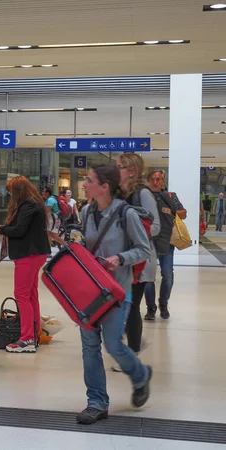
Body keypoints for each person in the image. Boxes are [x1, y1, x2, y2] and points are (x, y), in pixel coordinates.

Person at [77, 163, 152, 425]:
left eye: (89, 180)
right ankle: (96, 402)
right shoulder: (86, 212)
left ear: (104, 187)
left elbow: (144, 250)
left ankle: (140, 375)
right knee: (89, 348)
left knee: (113, 345)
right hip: (89, 291)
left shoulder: (125, 214)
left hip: (117, 293)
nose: (84, 184)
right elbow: (86, 245)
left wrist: (120, 258)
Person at [0, 176, 50, 353]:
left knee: (22, 295)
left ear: (17, 191)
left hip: (28, 254)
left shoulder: (28, 205)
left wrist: (0, 229)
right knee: (31, 294)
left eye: (10, 191)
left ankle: (27, 339)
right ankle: (34, 332)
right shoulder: (34, 202)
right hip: (36, 253)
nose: (9, 195)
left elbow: (19, 230)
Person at [114, 154, 160, 362]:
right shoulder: (119, 194)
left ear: (131, 171)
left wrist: (133, 235)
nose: (115, 170)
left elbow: (155, 226)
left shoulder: (143, 194)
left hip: (139, 261)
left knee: (132, 306)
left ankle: (132, 354)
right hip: (122, 259)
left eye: (119, 167)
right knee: (122, 304)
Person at [144, 170, 187, 321]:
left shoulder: (170, 196)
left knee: (167, 275)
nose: (156, 182)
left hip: (167, 240)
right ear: (149, 181)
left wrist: (170, 210)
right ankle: (150, 308)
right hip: (148, 241)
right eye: (153, 179)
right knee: (148, 277)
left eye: (159, 179)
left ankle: (163, 303)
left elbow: (183, 213)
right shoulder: (144, 196)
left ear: (163, 181)